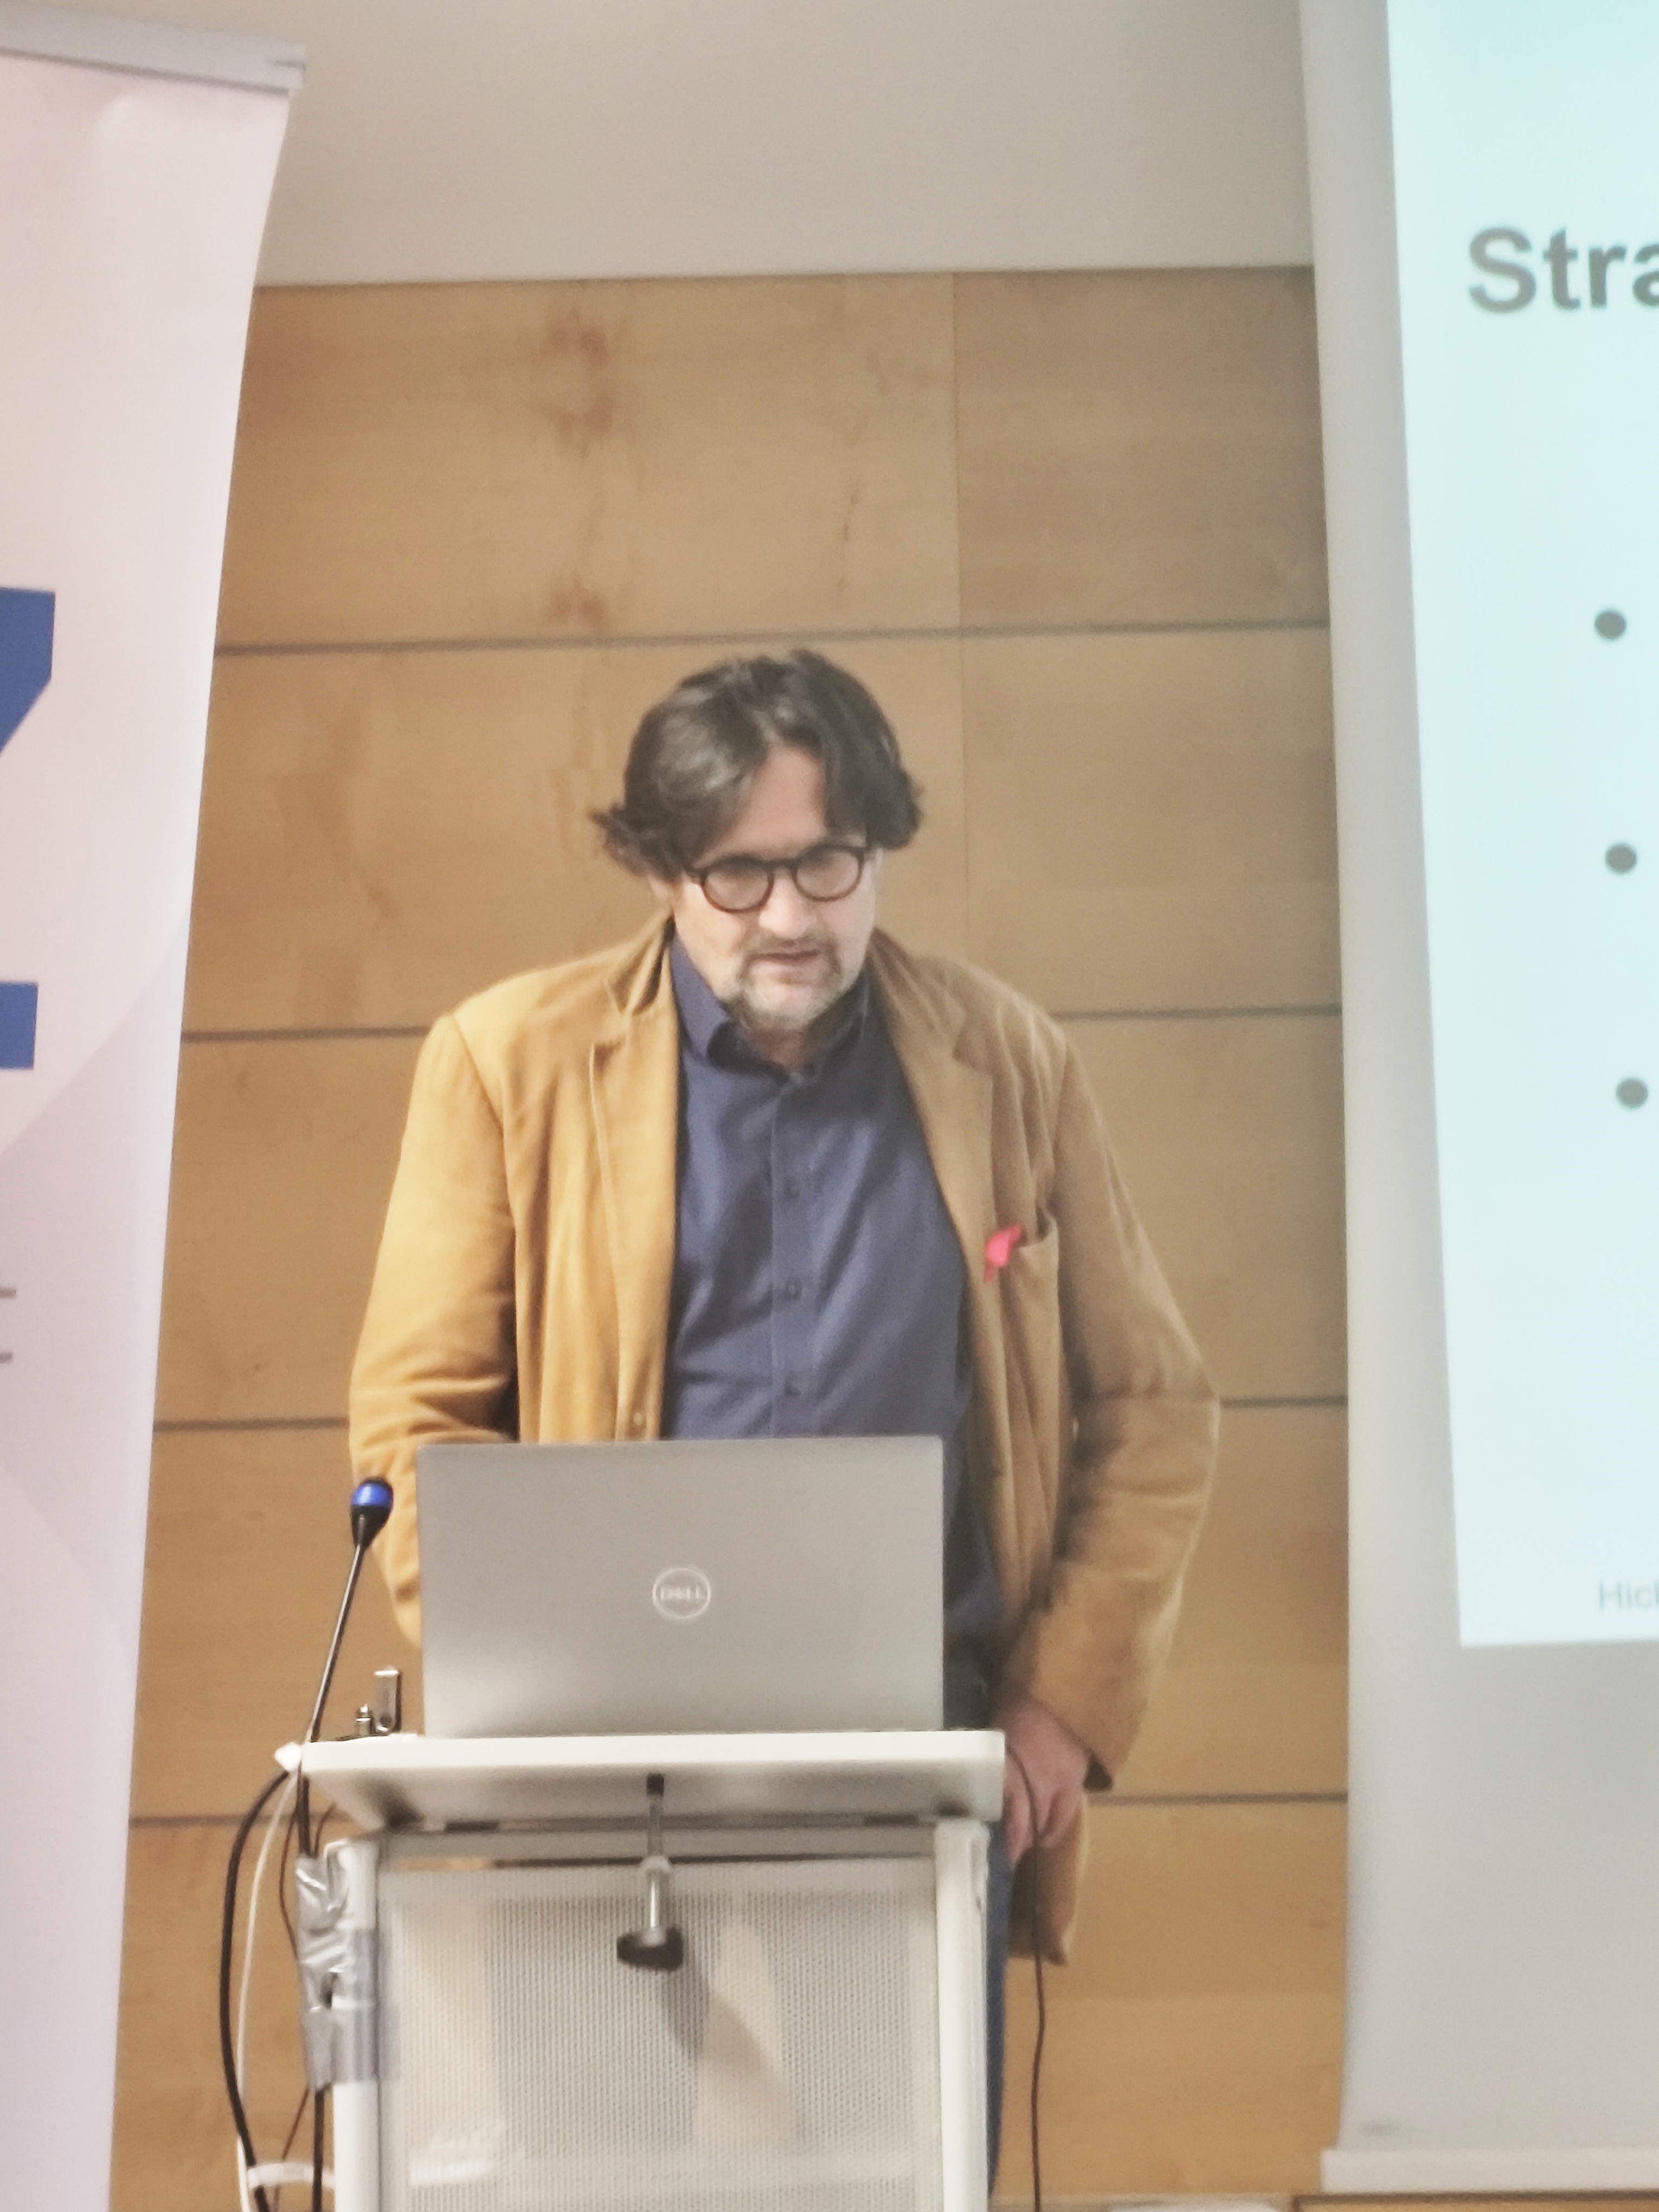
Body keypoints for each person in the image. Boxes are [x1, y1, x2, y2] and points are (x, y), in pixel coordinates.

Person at [348, 648, 1218, 2164]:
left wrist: (1059, 1708)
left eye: (828, 861)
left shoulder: (1008, 1062)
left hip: (916, 1767)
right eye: (738, 875)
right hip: (597, 1776)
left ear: (878, 845)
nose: (792, 916)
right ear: (662, 871)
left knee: (892, 2179)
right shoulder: (505, 1064)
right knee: (595, 2185)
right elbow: (416, 1426)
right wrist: (528, 1667)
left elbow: (1158, 1409)